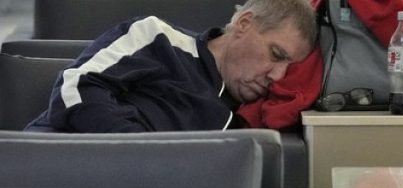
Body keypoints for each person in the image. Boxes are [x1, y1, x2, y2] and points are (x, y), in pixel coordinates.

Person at [27, 0, 318, 132]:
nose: (277, 76)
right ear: (244, 24)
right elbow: (76, 88)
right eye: (276, 54)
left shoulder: (242, 118)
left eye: (288, 68)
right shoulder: (158, 39)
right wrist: (146, 155)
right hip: (55, 161)